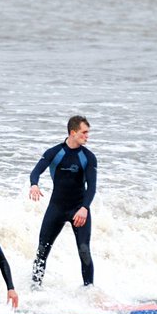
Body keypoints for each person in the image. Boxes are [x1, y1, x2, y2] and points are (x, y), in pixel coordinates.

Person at [28, 114, 97, 288]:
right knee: (43, 249)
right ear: (73, 132)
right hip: (57, 208)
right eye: (84, 132)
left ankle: (89, 290)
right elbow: (35, 172)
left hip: (79, 209)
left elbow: (92, 187)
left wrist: (84, 208)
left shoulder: (88, 157)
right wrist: (34, 185)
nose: (87, 136)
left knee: (84, 251)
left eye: (87, 133)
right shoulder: (54, 152)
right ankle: (35, 288)